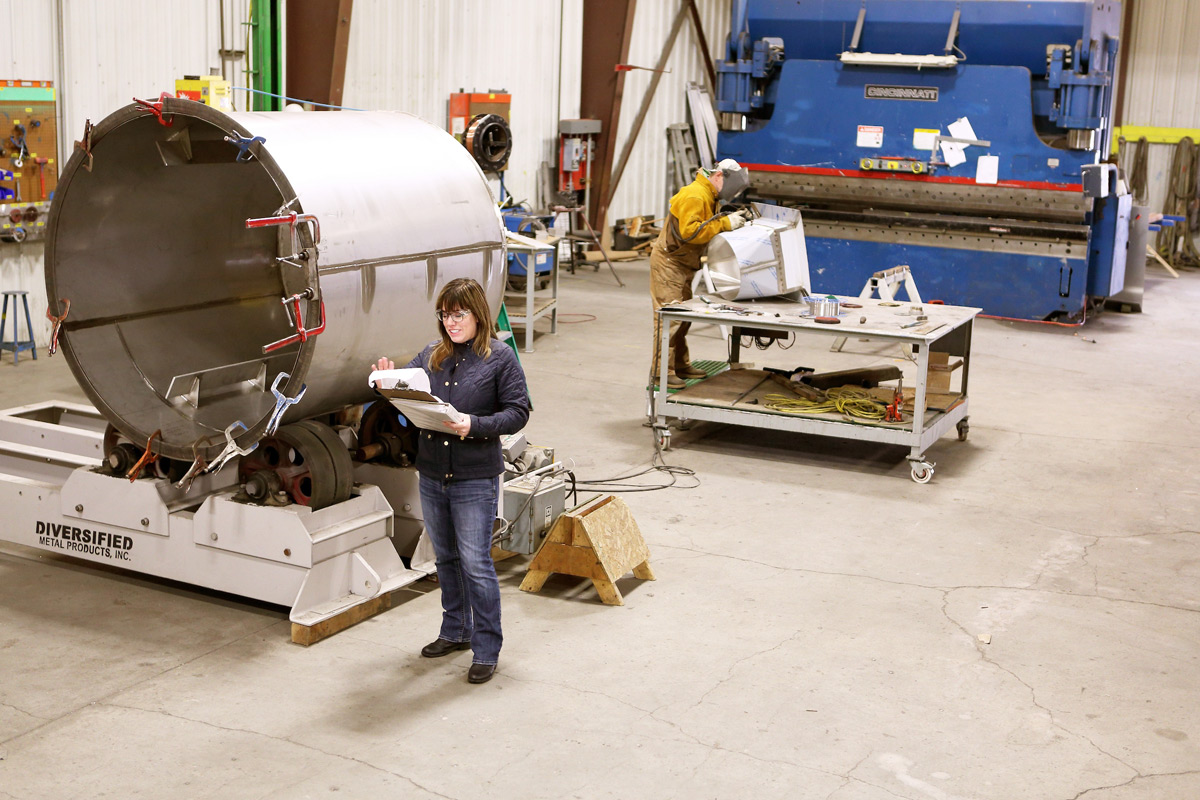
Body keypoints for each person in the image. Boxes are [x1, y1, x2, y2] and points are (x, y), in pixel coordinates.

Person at [371, 277, 530, 685]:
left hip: (474, 478)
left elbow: (517, 412)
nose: (451, 322)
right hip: (432, 473)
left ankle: (487, 648)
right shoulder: (431, 355)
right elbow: (402, 394)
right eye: (444, 314)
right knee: (445, 559)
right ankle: (455, 630)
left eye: (459, 314)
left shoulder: (500, 358)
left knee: (476, 563)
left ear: (478, 314)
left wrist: (472, 424)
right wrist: (385, 381)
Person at [650, 158, 749, 388]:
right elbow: (690, 232)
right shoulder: (696, 195)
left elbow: (706, 226)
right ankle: (661, 372)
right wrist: (725, 224)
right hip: (670, 263)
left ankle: (680, 364)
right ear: (719, 176)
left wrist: (729, 221)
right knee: (669, 319)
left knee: (682, 319)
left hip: (683, 264)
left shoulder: (708, 194)